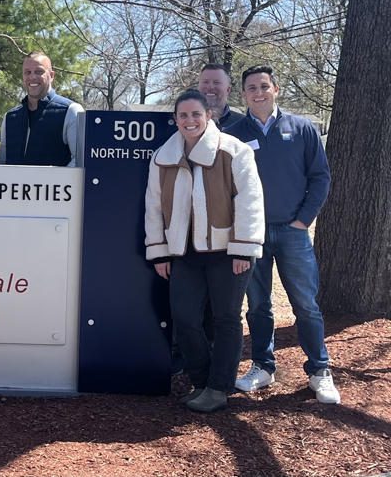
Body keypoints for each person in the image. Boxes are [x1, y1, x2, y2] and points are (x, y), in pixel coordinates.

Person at [145, 89, 264, 413]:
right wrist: (159, 252)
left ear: (208, 116)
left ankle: (218, 387)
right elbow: (153, 206)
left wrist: (244, 249)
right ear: (175, 120)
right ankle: (201, 380)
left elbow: (250, 201)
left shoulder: (234, 151)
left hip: (229, 251)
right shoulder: (163, 157)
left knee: (226, 319)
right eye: (183, 115)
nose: (189, 120)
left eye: (196, 114)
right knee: (184, 318)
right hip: (184, 252)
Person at [226, 65, 339, 404]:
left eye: (263, 86)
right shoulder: (233, 133)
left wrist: (303, 220)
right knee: (258, 305)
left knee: (305, 304)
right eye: (251, 88)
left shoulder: (302, 129)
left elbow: (320, 177)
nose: (258, 92)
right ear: (243, 94)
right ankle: (262, 366)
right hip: (251, 235)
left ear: (276, 89)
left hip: (293, 232)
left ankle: (319, 370)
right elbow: (225, 186)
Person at [0, 52, 84, 167]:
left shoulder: (71, 111)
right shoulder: (10, 117)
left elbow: (79, 161)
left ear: (52, 75)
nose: (32, 77)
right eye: (27, 72)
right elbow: (2, 164)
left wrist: (51, 183)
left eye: (39, 72)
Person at [198, 63, 245, 130]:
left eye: (216, 82)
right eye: (205, 82)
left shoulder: (242, 123)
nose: (210, 87)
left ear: (228, 90)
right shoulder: (185, 123)